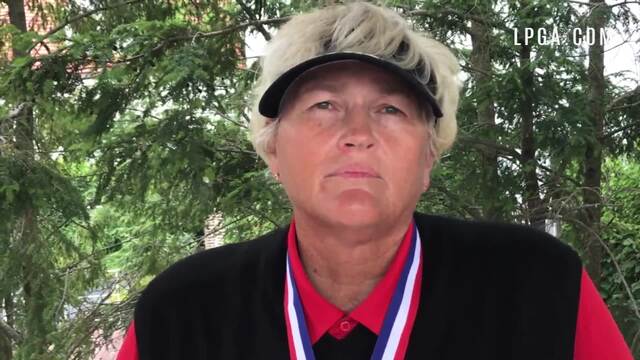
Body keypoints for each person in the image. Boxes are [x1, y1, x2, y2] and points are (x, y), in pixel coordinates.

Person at [116, 2, 633, 359]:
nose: (357, 134)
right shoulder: (183, 310)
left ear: (430, 155)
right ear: (272, 147)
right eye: (324, 105)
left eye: (390, 109)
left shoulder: (538, 286)